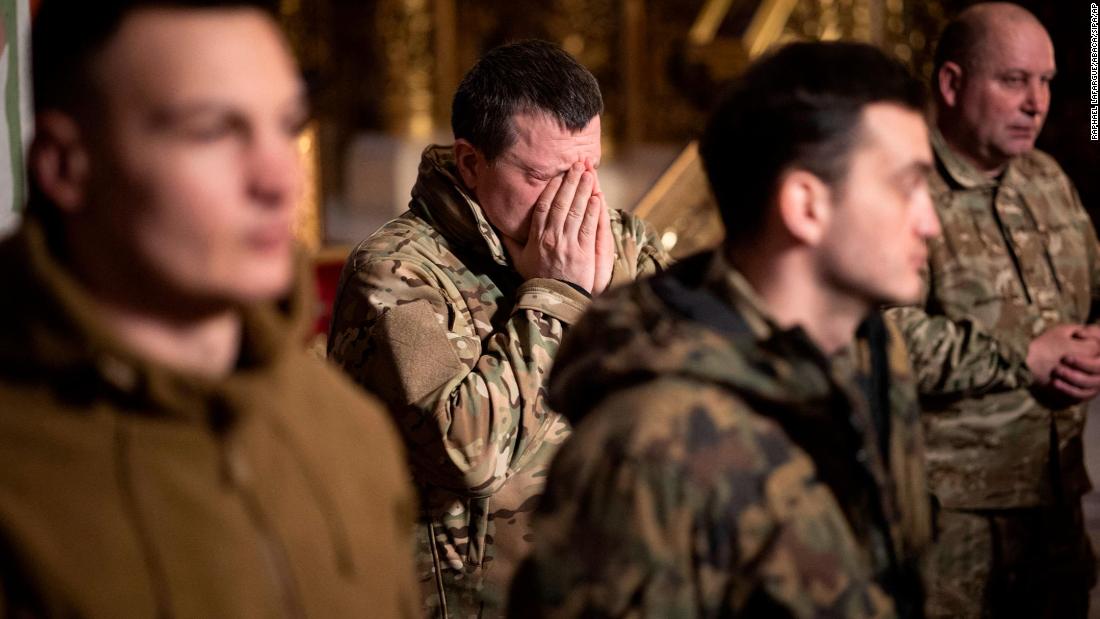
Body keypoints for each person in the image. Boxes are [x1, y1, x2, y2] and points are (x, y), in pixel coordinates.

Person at [0, 0, 418, 616]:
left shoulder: (349, 427)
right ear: (66, 164)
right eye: (213, 131)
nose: (279, 180)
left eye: (286, 126)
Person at [509, 41, 940, 618]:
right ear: (806, 205)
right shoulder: (646, 446)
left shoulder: (874, 352)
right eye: (905, 186)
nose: (931, 222)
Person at [327, 40, 669, 616]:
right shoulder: (395, 272)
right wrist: (557, 296)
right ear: (470, 163)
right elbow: (468, 456)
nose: (577, 199)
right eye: (544, 176)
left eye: (589, 170)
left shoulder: (626, 242)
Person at [886, 3, 1100, 617]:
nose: (1038, 102)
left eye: (1049, 82)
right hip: (946, 528)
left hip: (1054, 510)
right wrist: (1022, 353)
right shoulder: (899, 185)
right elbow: (875, 335)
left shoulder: (1045, 178)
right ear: (952, 84)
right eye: (1013, 80)